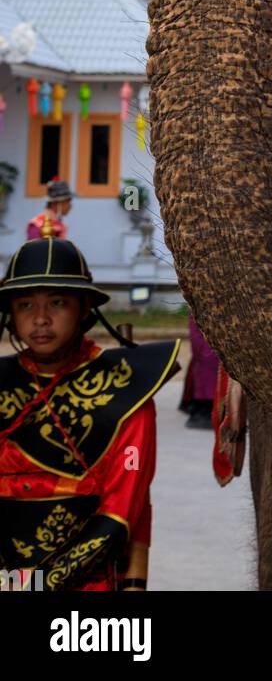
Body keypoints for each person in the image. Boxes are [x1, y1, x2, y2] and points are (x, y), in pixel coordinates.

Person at [0, 238, 179, 590]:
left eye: (57, 303)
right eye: (25, 305)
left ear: (84, 309)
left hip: (86, 582)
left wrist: (36, 585)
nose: (40, 319)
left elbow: (121, 510)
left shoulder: (126, 388)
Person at [26, 175, 72, 241]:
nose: (70, 206)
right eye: (67, 202)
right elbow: (35, 249)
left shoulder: (59, 224)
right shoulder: (37, 225)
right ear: (55, 203)